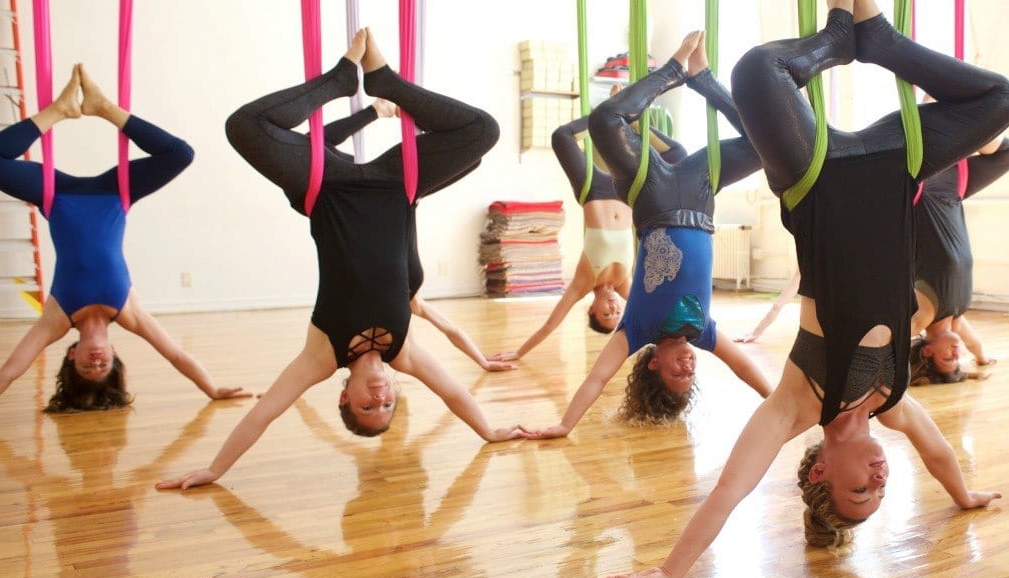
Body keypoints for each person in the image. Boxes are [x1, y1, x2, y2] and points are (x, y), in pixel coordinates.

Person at [588, 0, 1009, 578]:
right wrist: (966, 496)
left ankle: (841, 37)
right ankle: (876, 39)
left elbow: (729, 489)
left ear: (817, 473)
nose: (877, 477)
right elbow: (936, 454)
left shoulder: (797, 402)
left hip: (814, 180)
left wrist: (670, 571)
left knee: (756, 70)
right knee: (1001, 102)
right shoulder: (893, 399)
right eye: (880, 490)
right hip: (893, 165)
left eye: (857, 489)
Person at [157, 30, 524, 491]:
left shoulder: (321, 356)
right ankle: (385, 81)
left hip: (325, 185)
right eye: (387, 406)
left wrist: (215, 469)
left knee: (243, 127)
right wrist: (488, 431)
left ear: (343, 397)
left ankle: (338, 81)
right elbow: (453, 392)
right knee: (482, 132)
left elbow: (264, 411)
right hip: (397, 183)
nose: (380, 398)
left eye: (367, 407)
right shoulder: (403, 351)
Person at [530, 31, 772, 435]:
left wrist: (564, 426)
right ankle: (703, 78)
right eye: (690, 376)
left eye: (677, 375)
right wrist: (781, 405)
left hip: (653, 198)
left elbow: (596, 379)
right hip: (699, 196)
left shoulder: (636, 328)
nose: (688, 367)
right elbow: (745, 365)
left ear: (654, 365)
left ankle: (674, 68)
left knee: (606, 120)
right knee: (766, 142)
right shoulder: (703, 332)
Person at [0, 64, 247, 412]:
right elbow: (176, 354)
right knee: (181, 155)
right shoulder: (130, 312)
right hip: (114, 193)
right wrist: (212, 388)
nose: (95, 361)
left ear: (72, 355)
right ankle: (105, 108)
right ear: (113, 355)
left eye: (86, 366)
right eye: (102, 366)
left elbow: (9, 373)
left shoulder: (56, 319)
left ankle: (57, 112)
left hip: (55, 194)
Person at [321, 99, 510, 372]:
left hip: (362, 197)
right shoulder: (411, 301)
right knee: (473, 158)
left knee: (314, 147)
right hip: (403, 194)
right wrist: (482, 360)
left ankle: (377, 110)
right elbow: (450, 329)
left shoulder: (355, 315)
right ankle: (411, 113)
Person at [487, 113, 682, 364]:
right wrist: (672, 343)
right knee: (675, 156)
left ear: (592, 310)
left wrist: (518, 353)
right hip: (626, 191)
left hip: (593, 190)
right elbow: (654, 315)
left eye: (605, 313)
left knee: (561, 136)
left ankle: (604, 116)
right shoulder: (625, 285)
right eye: (616, 313)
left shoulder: (583, 282)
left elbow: (550, 325)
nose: (613, 308)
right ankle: (627, 117)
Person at [909, 137, 1009, 383]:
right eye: (956, 359)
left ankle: (941, 105)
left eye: (948, 358)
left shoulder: (924, 314)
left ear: (927, 351)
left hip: (926, 190)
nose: (956, 354)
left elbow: (883, 344)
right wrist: (980, 358)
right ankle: (961, 110)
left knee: (939, 138)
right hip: (953, 193)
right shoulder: (956, 321)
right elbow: (973, 343)